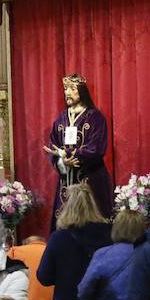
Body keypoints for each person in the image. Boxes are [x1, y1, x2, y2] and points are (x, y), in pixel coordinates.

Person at [43, 74, 113, 226]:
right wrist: (62, 161)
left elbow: (96, 148)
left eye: (72, 89)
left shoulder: (95, 118)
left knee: (93, 222)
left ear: (82, 91)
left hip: (91, 178)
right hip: (66, 181)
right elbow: (53, 145)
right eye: (65, 89)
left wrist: (68, 155)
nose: (67, 92)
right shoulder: (61, 119)